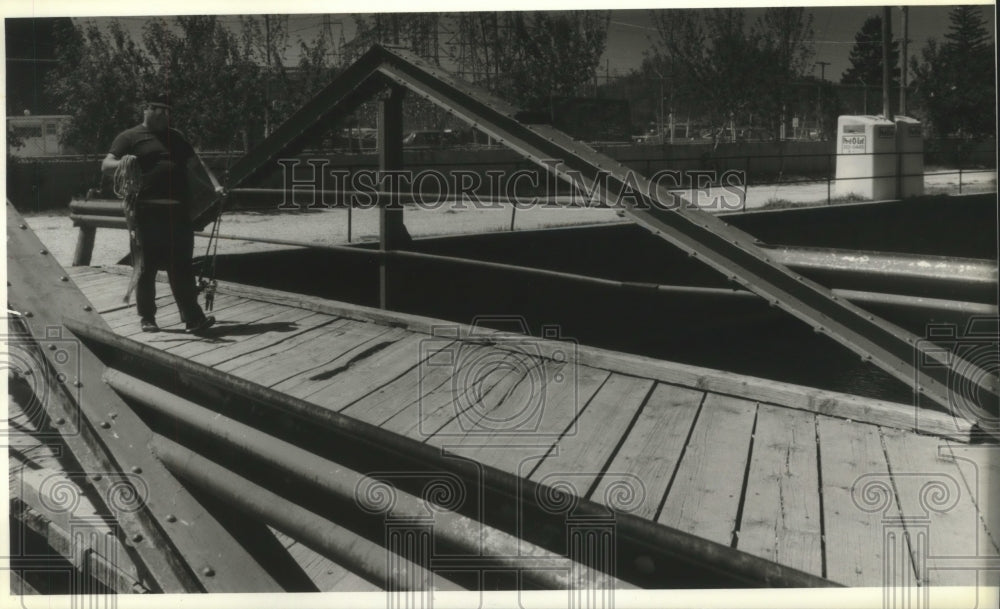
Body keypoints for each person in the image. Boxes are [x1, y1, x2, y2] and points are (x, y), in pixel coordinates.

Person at [101, 94, 216, 334]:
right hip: (146, 212)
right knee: (145, 268)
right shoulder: (129, 137)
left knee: (182, 267)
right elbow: (106, 165)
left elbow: (197, 165)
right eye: (160, 110)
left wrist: (214, 186)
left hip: (178, 212)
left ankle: (193, 318)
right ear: (146, 109)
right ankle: (147, 318)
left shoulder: (176, 137)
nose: (165, 115)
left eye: (168, 111)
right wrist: (125, 162)